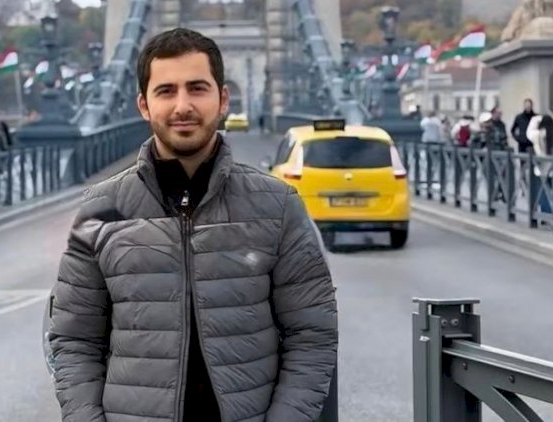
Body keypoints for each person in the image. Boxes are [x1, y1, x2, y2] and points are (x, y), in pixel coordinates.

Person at [48, 28, 338, 422]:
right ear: (143, 105)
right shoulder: (100, 209)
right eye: (166, 91)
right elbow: (74, 340)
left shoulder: (278, 205)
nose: (182, 106)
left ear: (223, 99)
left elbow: (312, 335)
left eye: (197, 89)